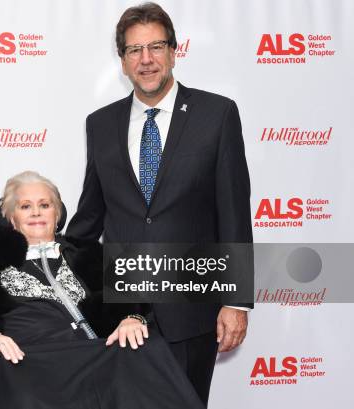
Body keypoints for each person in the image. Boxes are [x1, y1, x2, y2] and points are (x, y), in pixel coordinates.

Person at [66, 3, 253, 406]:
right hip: (120, 313)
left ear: (173, 51)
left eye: (155, 47)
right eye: (134, 50)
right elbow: (89, 219)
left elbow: (234, 213)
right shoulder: (100, 124)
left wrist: (236, 301)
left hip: (192, 310)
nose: (146, 59)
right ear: (122, 60)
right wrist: (41, 263)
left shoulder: (216, 115)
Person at [0, 171, 204, 409]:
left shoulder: (88, 254)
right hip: (30, 361)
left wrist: (131, 318)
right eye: (26, 207)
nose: (36, 213)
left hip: (91, 356)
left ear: (57, 215)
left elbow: (137, 302)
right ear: (11, 217)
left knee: (149, 347)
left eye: (45, 205)